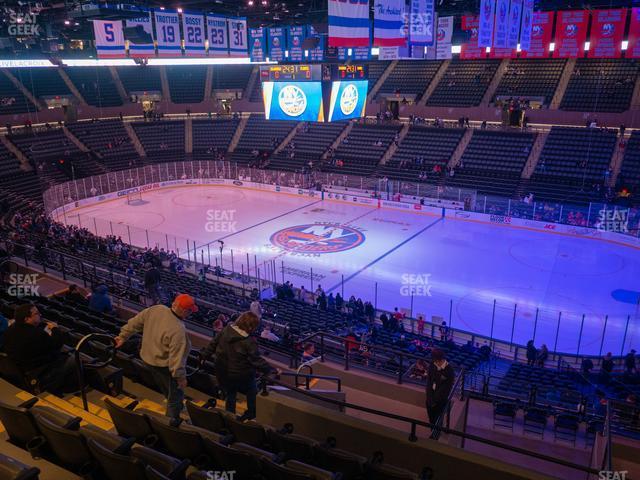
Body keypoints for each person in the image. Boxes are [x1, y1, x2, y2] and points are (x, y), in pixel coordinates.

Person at [115, 294, 197, 423]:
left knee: (165, 386)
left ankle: (175, 406)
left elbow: (135, 322)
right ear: (185, 311)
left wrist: (122, 336)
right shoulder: (178, 330)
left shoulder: (157, 309)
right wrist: (181, 378)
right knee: (176, 395)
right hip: (163, 365)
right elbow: (177, 360)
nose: (190, 313)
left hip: (147, 359)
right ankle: (172, 422)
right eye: (190, 311)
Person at [200, 311, 279, 421]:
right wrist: (273, 370)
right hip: (240, 374)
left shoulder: (227, 329)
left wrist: (204, 356)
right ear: (251, 326)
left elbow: (213, 344)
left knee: (230, 394)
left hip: (222, 371)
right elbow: (256, 361)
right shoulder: (249, 342)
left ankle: (230, 417)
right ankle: (251, 413)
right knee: (252, 389)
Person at [3, 304, 76, 394]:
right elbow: (57, 343)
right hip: (41, 372)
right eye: (36, 314)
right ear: (27, 319)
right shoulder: (36, 334)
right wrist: (55, 329)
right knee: (74, 359)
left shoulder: (8, 331)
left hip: (24, 371)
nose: (40, 315)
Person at [425, 349, 455, 427]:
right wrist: (429, 398)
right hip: (430, 398)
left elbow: (445, 389)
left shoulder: (449, 370)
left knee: (438, 420)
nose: (435, 362)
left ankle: (436, 435)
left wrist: (435, 401)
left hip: (440, 400)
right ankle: (433, 431)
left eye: (436, 361)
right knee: (431, 419)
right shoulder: (432, 364)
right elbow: (429, 382)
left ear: (441, 359)